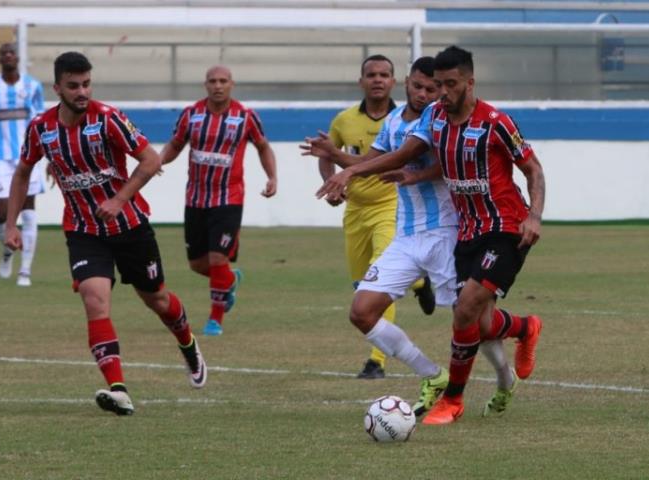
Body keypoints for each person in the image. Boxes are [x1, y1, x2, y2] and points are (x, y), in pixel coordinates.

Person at [317, 46, 545, 425]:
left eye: (445, 85)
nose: (437, 93)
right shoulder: (428, 118)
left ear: (469, 82)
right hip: (426, 234)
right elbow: (402, 156)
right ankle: (446, 370)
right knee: (367, 312)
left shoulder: (490, 122)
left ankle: (473, 392)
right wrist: (342, 166)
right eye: (430, 85)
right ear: (409, 84)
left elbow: (532, 169)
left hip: (474, 229)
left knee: (467, 313)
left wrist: (534, 216)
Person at [5, 52, 206, 416]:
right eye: (73, 86)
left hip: (130, 227)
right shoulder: (41, 129)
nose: (82, 92)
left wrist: (119, 198)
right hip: (83, 230)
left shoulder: (109, 119)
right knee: (94, 299)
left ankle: (187, 343)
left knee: (157, 300)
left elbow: (151, 159)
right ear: (57, 88)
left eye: (86, 84)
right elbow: (22, 172)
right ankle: (118, 389)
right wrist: (10, 222)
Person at [317, 54, 436, 380]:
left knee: (378, 279)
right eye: (371, 74)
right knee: (362, 287)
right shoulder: (344, 121)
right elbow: (331, 154)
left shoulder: (410, 120)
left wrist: (345, 167)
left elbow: (384, 161)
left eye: (384, 74)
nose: (378, 79)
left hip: (390, 207)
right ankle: (420, 281)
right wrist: (332, 184)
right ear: (361, 81)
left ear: (395, 81)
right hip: (356, 210)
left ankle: (376, 360)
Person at [160, 65, 277, 337]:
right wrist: (157, 161)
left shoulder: (246, 116)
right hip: (196, 199)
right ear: (205, 85)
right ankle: (229, 279)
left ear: (231, 84)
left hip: (229, 198)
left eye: (223, 81)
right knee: (198, 265)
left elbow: (263, 147)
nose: (218, 86)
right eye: (212, 81)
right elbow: (175, 145)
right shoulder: (191, 115)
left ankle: (215, 319)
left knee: (217, 257)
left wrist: (272, 176)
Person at [0, 42, 45, 287]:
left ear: (17, 58)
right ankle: (7, 251)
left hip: (29, 157)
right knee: (2, 213)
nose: (8, 56)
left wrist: (50, 156)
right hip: (0, 157)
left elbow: (41, 122)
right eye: (3, 53)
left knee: (28, 211)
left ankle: (25, 270)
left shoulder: (33, 86)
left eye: (11, 52)